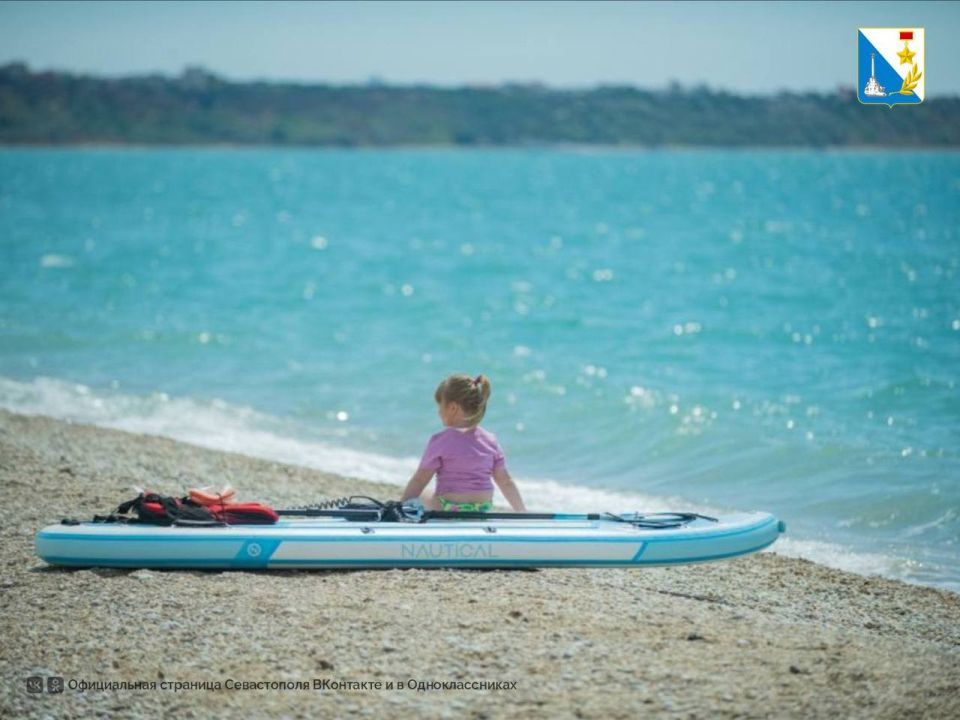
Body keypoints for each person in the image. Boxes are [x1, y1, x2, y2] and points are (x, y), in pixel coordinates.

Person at [401, 374, 526, 513]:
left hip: (449, 508)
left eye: (440, 406)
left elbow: (420, 479)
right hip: (482, 508)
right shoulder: (491, 440)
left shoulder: (440, 441)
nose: (438, 412)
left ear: (453, 408)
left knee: (424, 496)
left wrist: (400, 506)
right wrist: (522, 512)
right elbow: (505, 481)